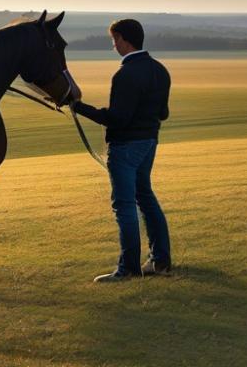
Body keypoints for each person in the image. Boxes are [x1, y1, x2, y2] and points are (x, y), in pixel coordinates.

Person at [71, 18, 172, 282]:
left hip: (125, 146)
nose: (113, 45)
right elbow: (164, 113)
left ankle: (127, 268)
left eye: (114, 40)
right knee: (145, 198)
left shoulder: (126, 74)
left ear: (124, 40)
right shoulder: (160, 70)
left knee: (124, 205)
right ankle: (160, 261)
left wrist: (78, 107)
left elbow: (117, 118)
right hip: (149, 142)